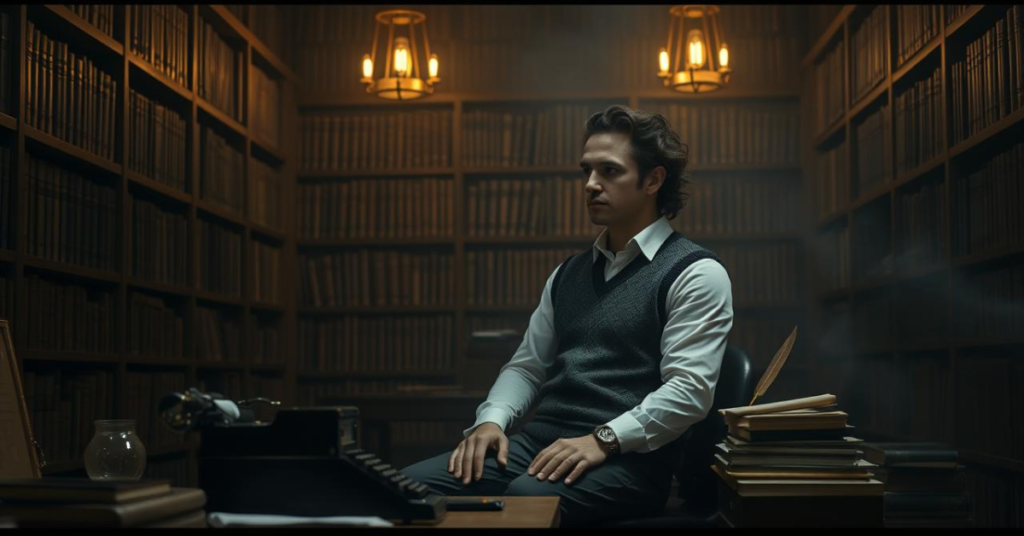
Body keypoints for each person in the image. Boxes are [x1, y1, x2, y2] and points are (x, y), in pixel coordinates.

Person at [401, 105, 734, 527]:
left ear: (653, 180)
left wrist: (603, 440)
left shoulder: (696, 273)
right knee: (408, 489)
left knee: (526, 499)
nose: (591, 185)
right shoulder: (567, 274)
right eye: (586, 171)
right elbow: (526, 367)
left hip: (630, 462)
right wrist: (490, 422)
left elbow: (689, 392)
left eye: (609, 171)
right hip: (540, 443)